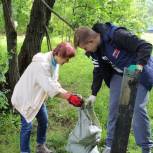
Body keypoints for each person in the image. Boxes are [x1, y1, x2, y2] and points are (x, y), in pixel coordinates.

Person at [74, 22, 153, 153]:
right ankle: (111, 145)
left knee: (137, 109)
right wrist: (94, 93)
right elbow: (98, 70)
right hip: (118, 73)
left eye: (85, 48)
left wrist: (138, 67)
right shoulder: (95, 51)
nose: (86, 51)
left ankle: (146, 147)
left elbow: (145, 46)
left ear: (91, 40)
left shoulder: (116, 35)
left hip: (139, 70)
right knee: (114, 107)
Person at [11, 42, 84, 153]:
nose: (67, 61)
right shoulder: (42, 64)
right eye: (67, 58)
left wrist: (70, 95)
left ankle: (41, 147)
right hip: (24, 97)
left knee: (43, 120)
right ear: (59, 54)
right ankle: (24, 151)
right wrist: (69, 97)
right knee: (27, 127)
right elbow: (50, 88)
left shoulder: (55, 63)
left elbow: (54, 84)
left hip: (37, 98)